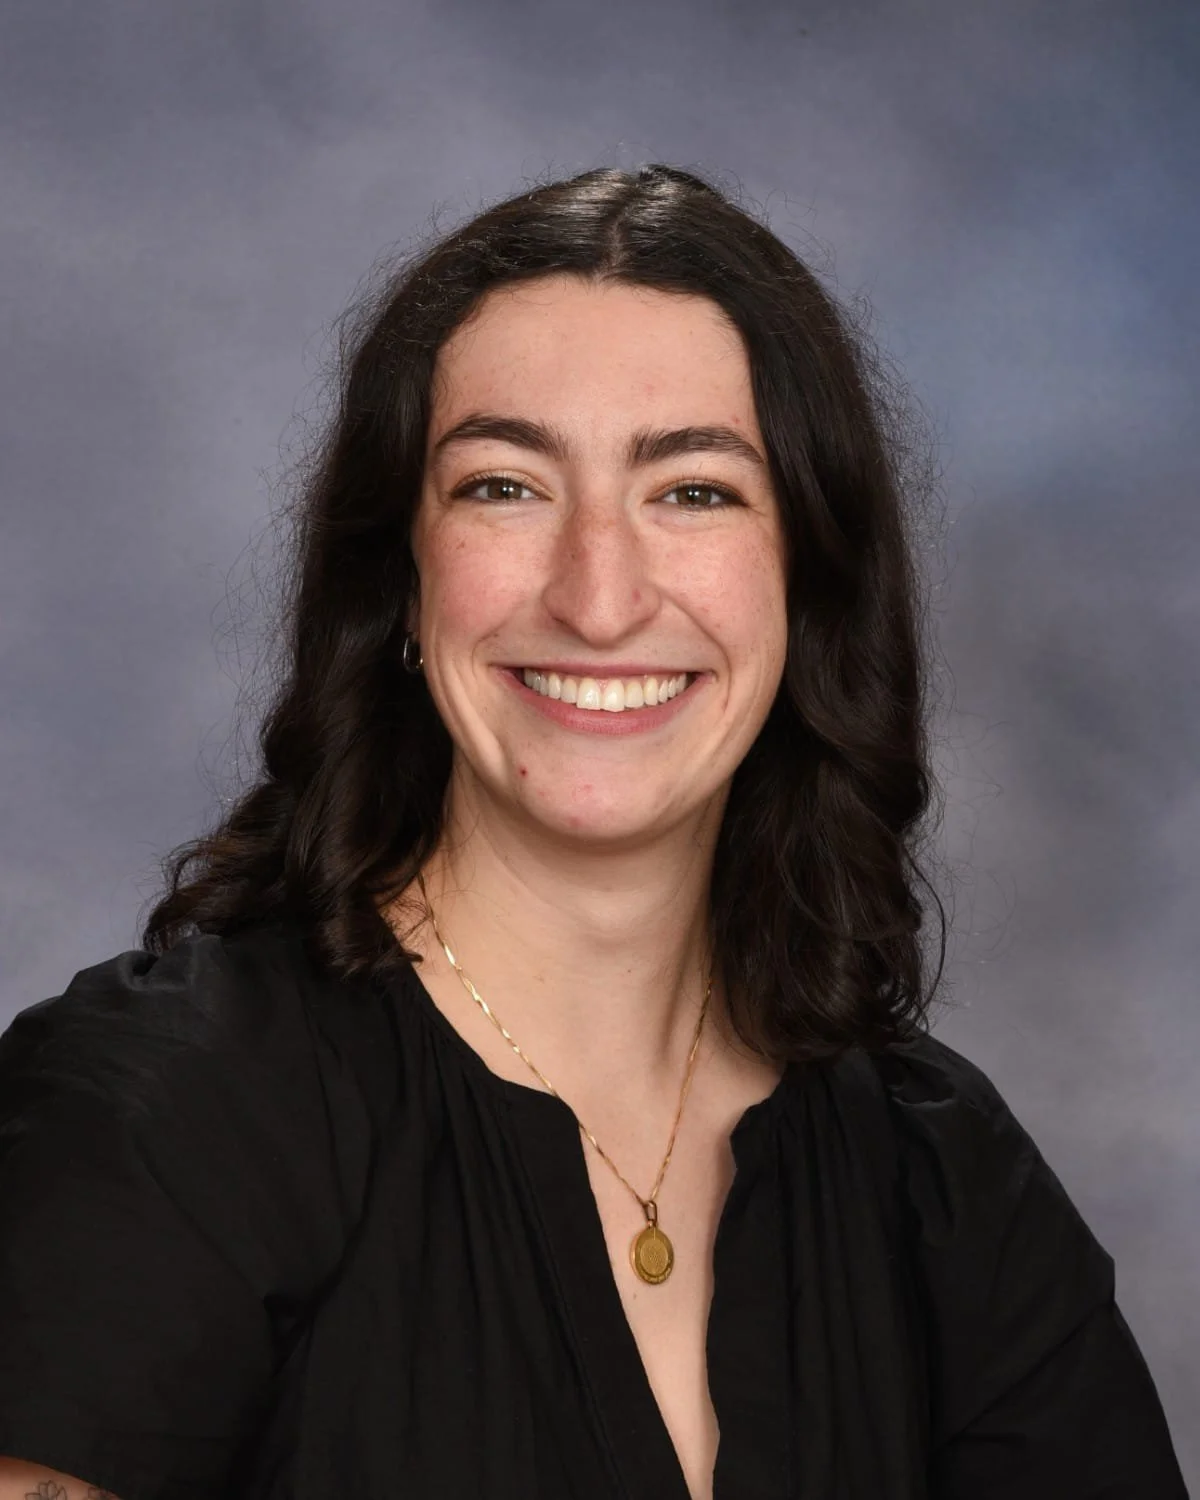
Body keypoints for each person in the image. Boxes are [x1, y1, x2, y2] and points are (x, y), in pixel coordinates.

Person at [0, 164, 1188, 1500]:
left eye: (693, 492)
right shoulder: (171, 1108)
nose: (600, 597)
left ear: (807, 582)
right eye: (505, 486)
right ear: (400, 575)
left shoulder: (940, 1174)